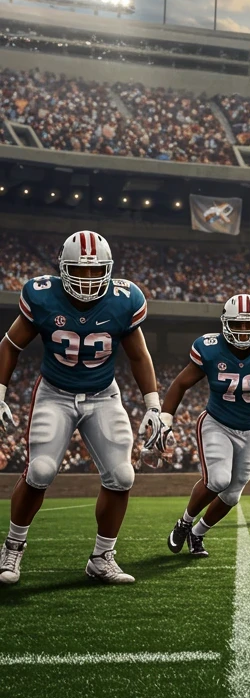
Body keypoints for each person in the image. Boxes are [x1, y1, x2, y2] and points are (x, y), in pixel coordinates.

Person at [0, 231, 161, 585]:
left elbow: (138, 355)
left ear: (109, 269)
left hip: (103, 394)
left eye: (95, 271)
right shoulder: (42, 296)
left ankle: (102, 558)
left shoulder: (124, 299)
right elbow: (10, 344)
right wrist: (0, 391)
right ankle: (12, 547)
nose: (88, 280)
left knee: (122, 476)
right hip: (54, 393)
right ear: (62, 268)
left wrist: (153, 404)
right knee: (40, 471)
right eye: (79, 271)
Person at [158, 295, 250, 555]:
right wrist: (166, 419)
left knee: (232, 495)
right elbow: (181, 384)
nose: (242, 331)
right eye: (236, 325)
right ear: (225, 324)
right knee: (218, 480)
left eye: (249, 325)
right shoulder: (210, 348)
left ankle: (197, 534)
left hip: (249, 429)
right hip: (216, 423)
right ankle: (184, 522)